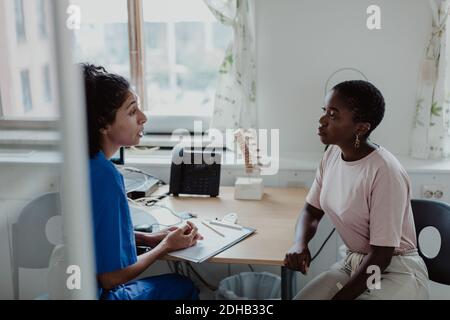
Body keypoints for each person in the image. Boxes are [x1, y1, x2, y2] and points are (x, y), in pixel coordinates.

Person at [285, 80, 429, 300]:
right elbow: (311, 211)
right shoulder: (332, 155)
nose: (322, 121)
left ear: (361, 127)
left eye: (333, 115)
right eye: (325, 111)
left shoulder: (385, 172)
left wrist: (341, 298)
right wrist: (300, 243)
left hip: (394, 270)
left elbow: (382, 255)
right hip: (354, 263)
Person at [82, 64, 202, 300]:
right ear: (103, 124)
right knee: (183, 286)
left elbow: (92, 236)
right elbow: (111, 278)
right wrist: (165, 247)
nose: (143, 117)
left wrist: (147, 238)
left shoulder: (83, 165)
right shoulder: (105, 177)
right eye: (132, 111)